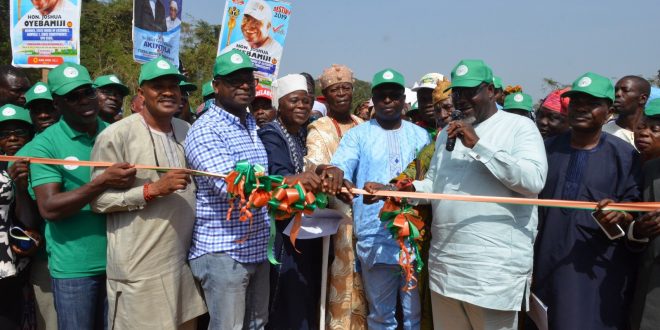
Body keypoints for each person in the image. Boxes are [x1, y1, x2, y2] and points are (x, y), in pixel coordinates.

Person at [407, 59, 547, 330]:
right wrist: (403, 191)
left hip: (492, 275)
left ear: (492, 91)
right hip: (446, 269)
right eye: (456, 92)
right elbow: (435, 187)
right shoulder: (445, 135)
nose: (461, 99)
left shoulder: (519, 127)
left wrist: (479, 145)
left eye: (470, 91)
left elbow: (533, 181)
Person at [90, 57, 206, 329]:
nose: (168, 92)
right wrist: (151, 190)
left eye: (173, 86)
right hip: (139, 271)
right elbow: (98, 201)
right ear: (142, 93)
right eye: (158, 86)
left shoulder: (186, 130)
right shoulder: (116, 136)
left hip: (181, 263)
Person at [26, 63, 137, 329]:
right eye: (72, 97)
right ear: (56, 104)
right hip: (74, 268)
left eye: (87, 92)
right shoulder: (45, 144)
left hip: (121, 262)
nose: (84, 101)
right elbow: (50, 208)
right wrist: (101, 183)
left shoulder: (116, 133)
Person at [532, 72, 642, 330]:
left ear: (609, 111)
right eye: (576, 101)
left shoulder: (624, 156)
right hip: (545, 265)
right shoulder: (545, 149)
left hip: (597, 273)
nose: (581, 107)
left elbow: (634, 215)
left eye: (591, 103)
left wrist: (621, 216)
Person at [328, 68, 430, 329]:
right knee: (382, 316)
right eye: (381, 96)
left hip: (412, 237)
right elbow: (341, 165)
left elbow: (430, 178)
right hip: (375, 236)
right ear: (373, 98)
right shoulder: (358, 135)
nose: (387, 101)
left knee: (412, 316)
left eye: (394, 96)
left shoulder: (420, 136)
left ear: (403, 101)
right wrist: (338, 174)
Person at [184, 50, 270, 329]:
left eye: (248, 79)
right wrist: (292, 183)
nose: (244, 85)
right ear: (217, 86)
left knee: (257, 324)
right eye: (235, 80)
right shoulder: (206, 129)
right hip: (223, 251)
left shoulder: (251, 125)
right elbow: (231, 188)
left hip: (256, 247)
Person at [257, 74, 324, 329]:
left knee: (302, 297)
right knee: (283, 300)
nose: (302, 106)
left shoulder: (303, 134)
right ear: (279, 104)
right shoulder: (270, 134)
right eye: (294, 101)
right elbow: (279, 177)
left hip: (302, 232)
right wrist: (301, 179)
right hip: (279, 235)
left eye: (306, 101)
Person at [304, 64, 368, 329]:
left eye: (346, 88)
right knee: (340, 284)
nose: (341, 93)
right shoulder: (319, 128)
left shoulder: (364, 125)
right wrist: (329, 172)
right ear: (326, 95)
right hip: (338, 218)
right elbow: (314, 162)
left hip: (367, 214)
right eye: (334, 89)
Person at [15, 83, 60, 330]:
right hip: (46, 260)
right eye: (37, 109)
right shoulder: (23, 156)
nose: (44, 114)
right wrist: (21, 188)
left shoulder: (90, 143)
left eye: (50, 107)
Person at [0, 104, 41, 330]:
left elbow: (30, 223)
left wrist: (20, 186)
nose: (13, 138)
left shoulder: (41, 162)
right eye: (4, 133)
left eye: (20, 132)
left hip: (19, 268)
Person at [630, 99, 660, 330]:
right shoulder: (649, 169)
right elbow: (635, 220)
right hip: (651, 279)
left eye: (655, 129)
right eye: (643, 127)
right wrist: (638, 231)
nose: (646, 134)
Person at [602, 76, 651, 146]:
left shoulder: (653, 136)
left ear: (642, 99)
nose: (617, 94)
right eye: (616, 90)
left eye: (625, 90)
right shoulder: (601, 134)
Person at [412, 73, 445, 140]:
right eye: (422, 99)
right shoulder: (412, 133)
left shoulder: (458, 130)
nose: (427, 104)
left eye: (432, 98)